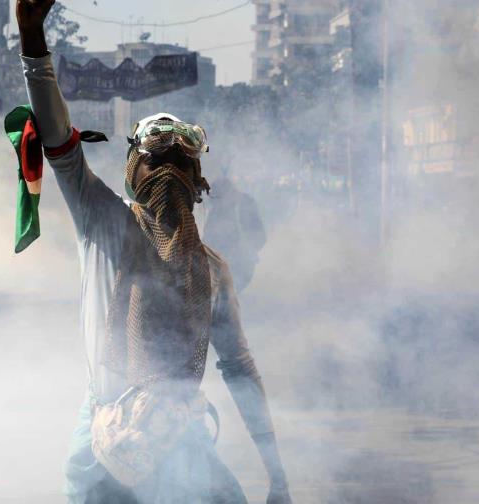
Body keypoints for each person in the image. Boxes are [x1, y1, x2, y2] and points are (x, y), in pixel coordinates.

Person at [16, 1, 292, 502]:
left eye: (179, 159)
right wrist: (33, 42)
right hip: (105, 437)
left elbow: (240, 370)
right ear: (131, 171)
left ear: (198, 182)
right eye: (153, 155)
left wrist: (278, 472)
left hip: (179, 438)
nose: (166, 167)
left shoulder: (210, 269)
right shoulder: (104, 222)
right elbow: (58, 141)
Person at [203, 177, 267, 293]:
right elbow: (208, 238)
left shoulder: (245, 205)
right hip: (219, 264)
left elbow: (260, 237)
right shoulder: (217, 209)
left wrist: (244, 249)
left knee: (227, 297)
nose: (216, 204)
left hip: (242, 265)